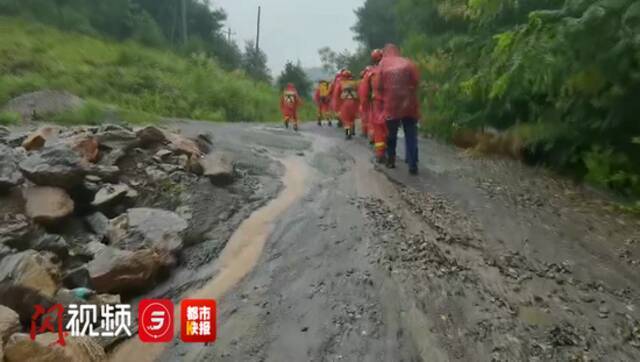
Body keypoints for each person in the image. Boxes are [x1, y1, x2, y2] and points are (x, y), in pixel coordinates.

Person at [378, 44, 420, 174]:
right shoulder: (407, 62)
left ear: (385, 53)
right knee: (411, 134)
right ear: (398, 52)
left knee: (391, 134)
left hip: (391, 104)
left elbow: (378, 85)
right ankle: (413, 164)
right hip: (408, 103)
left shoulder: (383, 64)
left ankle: (391, 160)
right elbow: (416, 81)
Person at [364, 49, 387, 162]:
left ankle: (380, 153)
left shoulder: (370, 73)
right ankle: (388, 149)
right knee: (387, 126)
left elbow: (364, 91)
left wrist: (365, 103)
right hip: (389, 102)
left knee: (377, 127)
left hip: (376, 103)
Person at [333, 70, 360, 140]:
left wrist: (337, 106)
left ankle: (348, 134)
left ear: (343, 76)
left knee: (346, 120)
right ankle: (352, 130)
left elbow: (336, 95)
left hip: (345, 103)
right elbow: (360, 94)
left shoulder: (341, 83)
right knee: (352, 118)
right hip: (354, 103)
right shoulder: (355, 83)